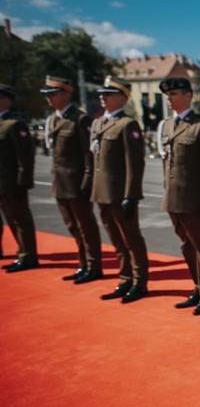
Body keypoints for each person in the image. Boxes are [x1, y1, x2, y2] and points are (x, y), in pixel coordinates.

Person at [157, 77, 200, 315]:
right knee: (187, 247)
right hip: (173, 199)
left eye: (173, 94)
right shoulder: (167, 125)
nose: (169, 99)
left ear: (188, 95)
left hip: (195, 201)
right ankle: (198, 287)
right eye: (167, 95)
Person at [91, 76, 149, 303]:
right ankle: (125, 278)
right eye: (101, 94)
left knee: (131, 239)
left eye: (108, 94)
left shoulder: (127, 125)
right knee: (116, 239)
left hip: (119, 194)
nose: (102, 97)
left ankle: (139, 281)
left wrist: (131, 195)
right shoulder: (98, 123)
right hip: (101, 192)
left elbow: (135, 163)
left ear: (122, 97)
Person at [41, 75, 102, 283]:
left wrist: (87, 181)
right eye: (47, 94)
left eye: (53, 94)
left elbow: (88, 154)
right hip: (60, 182)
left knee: (85, 225)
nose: (49, 98)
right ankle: (82, 264)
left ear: (67, 93)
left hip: (76, 182)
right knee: (71, 226)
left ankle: (94, 266)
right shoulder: (52, 120)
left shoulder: (80, 119)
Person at [0, 83, 39, 272]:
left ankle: (28, 255)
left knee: (19, 219)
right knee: (8, 217)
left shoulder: (14, 125)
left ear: (6, 100)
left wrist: (23, 181)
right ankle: (19, 252)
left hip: (11, 182)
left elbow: (25, 156)